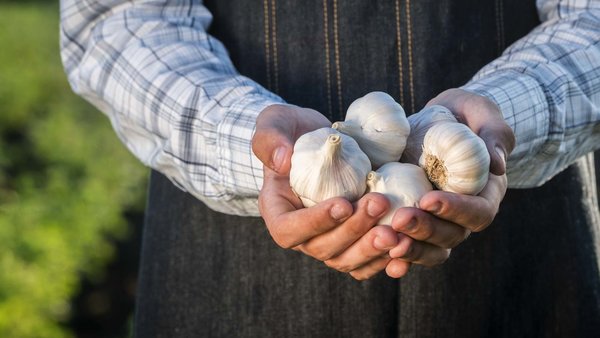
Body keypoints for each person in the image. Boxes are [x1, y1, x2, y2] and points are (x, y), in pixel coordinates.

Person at [60, 0, 600, 336]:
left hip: (525, 237)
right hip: (227, 258)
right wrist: (262, 149)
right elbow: (117, 18)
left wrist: (507, 112)